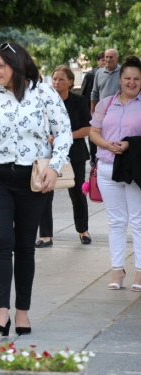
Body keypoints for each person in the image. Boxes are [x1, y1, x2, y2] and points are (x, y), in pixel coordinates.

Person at [0, 42, 72, 336]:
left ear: (17, 64)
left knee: (24, 247)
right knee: (1, 241)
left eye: (0, 65)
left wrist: (55, 166)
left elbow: (64, 133)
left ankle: (22, 312)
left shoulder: (44, 92)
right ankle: (1, 313)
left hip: (31, 178)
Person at [89, 56, 141, 292]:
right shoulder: (106, 103)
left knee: (138, 221)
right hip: (107, 167)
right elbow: (94, 132)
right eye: (127, 78)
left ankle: (140, 272)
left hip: (133, 169)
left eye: (136, 79)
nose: (131, 83)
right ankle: (117, 270)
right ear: (120, 79)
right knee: (116, 222)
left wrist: (129, 144)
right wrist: (107, 144)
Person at [36, 65, 92, 248]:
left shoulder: (79, 101)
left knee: (77, 194)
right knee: (45, 193)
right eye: (54, 79)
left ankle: (83, 230)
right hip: (48, 154)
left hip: (74, 153)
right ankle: (45, 235)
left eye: (61, 79)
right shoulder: (44, 101)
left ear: (70, 82)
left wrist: (64, 137)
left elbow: (87, 128)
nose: (57, 83)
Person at [81, 52, 105, 164]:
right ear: (98, 61)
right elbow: (85, 92)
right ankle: (93, 158)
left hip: (107, 109)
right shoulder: (91, 74)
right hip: (93, 108)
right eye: (102, 60)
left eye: (107, 60)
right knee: (93, 133)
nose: (105, 62)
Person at [91, 49, 120, 116]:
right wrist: (92, 111)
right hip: (102, 110)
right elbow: (94, 93)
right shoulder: (99, 72)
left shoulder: (123, 72)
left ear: (117, 59)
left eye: (111, 57)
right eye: (106, 57)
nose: (108, 59)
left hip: (118, 110)